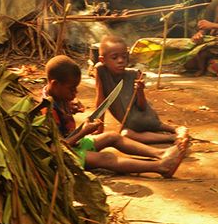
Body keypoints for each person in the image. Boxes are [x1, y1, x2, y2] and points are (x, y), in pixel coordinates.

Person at [42, 55, 188, 176]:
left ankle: (161, 153)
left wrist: (70, 106)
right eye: (71, 89)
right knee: (106, 158)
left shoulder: (56, 96)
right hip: (63, 155)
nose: (75, 93)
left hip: (73, 144)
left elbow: (64, 120)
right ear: (55, 84)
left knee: (112, 136)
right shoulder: (45, 111)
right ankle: (161, 166)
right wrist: (83, 132)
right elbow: (55, 149)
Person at [93, 35, 183, 145]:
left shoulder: (134, 74)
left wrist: (140, 91)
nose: (121, 61)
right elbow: (101, 100)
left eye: (124, 57)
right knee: (126, 134)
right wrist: (100, 126)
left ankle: (175, 133)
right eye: (114, 57)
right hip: (131, 125)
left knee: (152, 126)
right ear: (103, 60)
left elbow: (142, 106)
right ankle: (172, 137)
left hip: (145, 119)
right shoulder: (101, 70)